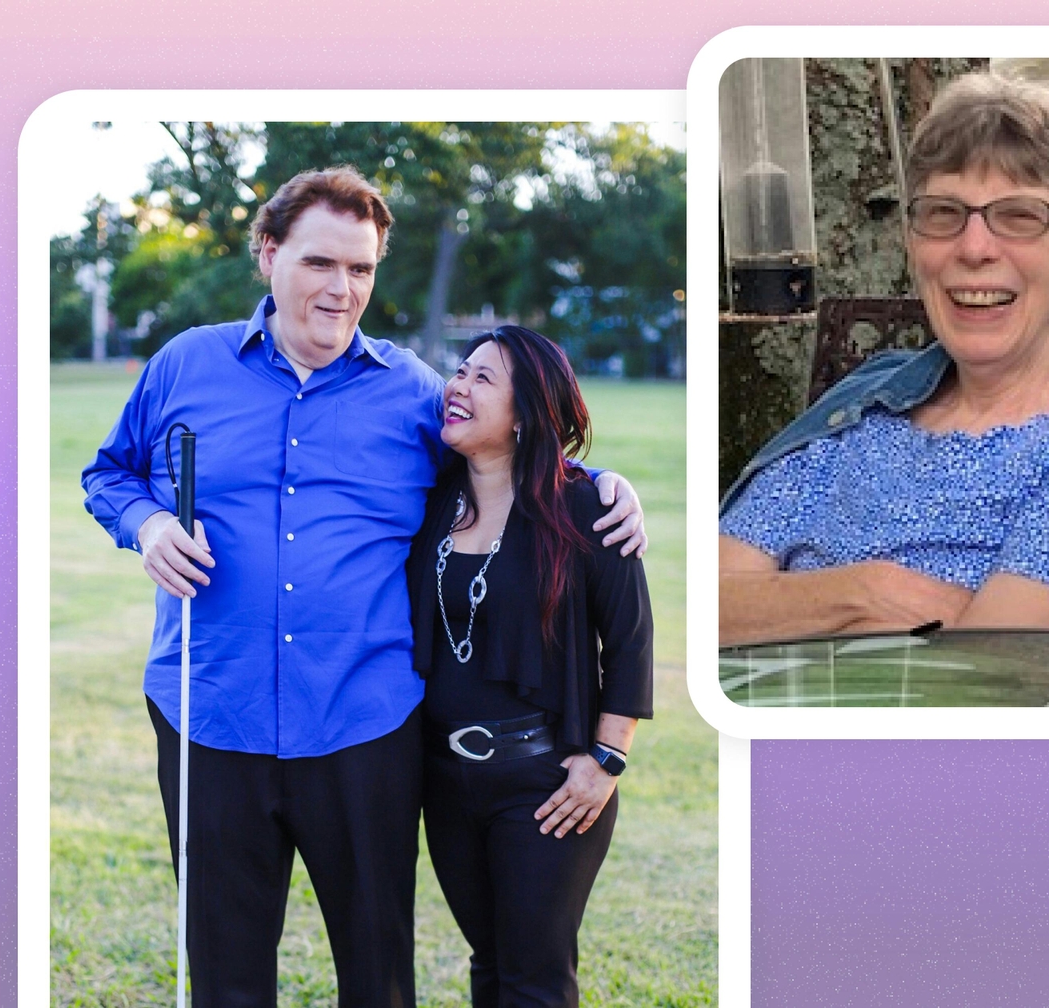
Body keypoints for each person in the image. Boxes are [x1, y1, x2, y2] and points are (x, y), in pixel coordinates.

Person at [80, 165, 647, 1006]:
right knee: (225, 974)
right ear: (268, 253)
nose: (341, 289)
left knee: (378, 974)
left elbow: (505, 450)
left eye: (361, 268)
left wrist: (595, 481)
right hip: (211, 710)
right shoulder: (184, 365)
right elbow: (108, 474)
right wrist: (149, 524)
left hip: (364, 723)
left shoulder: (414, 393)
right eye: (320, 262)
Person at [718, 72, 1049, 647]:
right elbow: (705, 606)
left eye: (1020, 216)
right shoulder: (858, 417)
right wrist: (865, 592)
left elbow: (988, 663)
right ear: (913, 245)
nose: (974, 248)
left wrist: (787, 604)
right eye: (943, 213)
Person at [407, 325, 652, 1007]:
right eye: (460, 371)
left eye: (483, 379)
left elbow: (630, 641)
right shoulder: (431, 500)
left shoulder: (586, 509)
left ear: (526, 413)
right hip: (445, 781)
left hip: (545, 782)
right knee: (489, 964)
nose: (457, 386)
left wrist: (605, 760)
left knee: (534, 980)